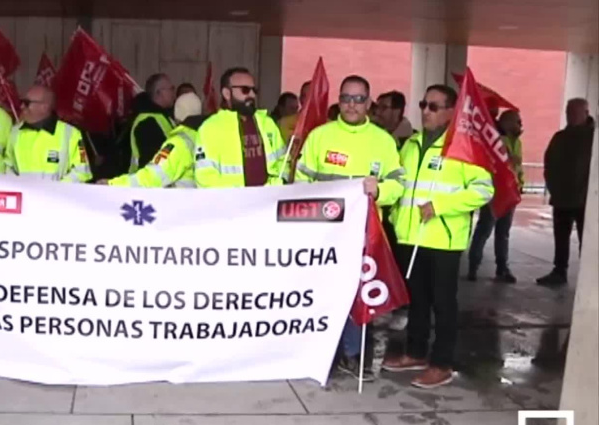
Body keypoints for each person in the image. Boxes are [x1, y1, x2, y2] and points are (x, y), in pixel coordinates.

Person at [294, 75, 406, 381]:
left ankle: (353, 356)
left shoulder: (383, 141)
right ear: (339, 101)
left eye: (358, 99)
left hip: (363, 235)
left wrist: (380, 190)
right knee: (322, 295)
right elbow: (301, 184)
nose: (352, 105)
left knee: (355, 297)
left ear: (368, 103)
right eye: (346, 98)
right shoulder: (320, 136)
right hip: (323, 234)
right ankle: (321, 352)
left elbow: (399, 185)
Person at [383, 84, 494, 389]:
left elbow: (484, 189)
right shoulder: (411, 144)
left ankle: (442, 363)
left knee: (443, 304)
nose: (425, 111)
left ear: (450, 111)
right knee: (416, 300)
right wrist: (394, 217)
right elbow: (400, 187)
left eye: (433, 106)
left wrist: (441, 206)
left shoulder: (463, 146)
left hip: (443, 239)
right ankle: (416, 352)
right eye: (423, 104)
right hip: (410, 236)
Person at [194, 67, 287, 188]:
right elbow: (205, 177)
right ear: (227, 93)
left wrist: (272, 188)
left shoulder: (267, 123)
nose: (252, 95)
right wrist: (240, 196)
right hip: (231, 204)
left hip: (267, 201)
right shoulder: (210, 128)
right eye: (245, 90)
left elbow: (284, 163)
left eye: (254, 90)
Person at [536, 98, 595, 286]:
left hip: (586, 200)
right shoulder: (560, 137)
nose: (570, 116)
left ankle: (590, 275)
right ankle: (559, 271)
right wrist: (553, 186)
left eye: (575, 113)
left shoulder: (594, 138)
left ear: (586, 113)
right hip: (562, 197)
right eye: (568, 112)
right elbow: (549, 163)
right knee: (561, 237)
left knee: (587, 239)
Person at [468, 109, 525, 283]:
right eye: (517, 121)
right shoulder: (493, 139)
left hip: (510, 191)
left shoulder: (517, 142)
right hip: (495, 191)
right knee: (484, 229)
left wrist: (520, 183)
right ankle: (473, 266)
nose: (520, 124)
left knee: (503, 232)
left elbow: (517, 167)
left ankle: (502, 268)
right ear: (507, 122)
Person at [105, 92, 205, 188]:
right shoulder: (207, 138)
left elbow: (153, 176)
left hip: (178, 203)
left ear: (177, 114)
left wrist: (113, 184)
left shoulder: (180, 143)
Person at [5, 85, 92, 183]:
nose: (22, 106)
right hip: (25, 197)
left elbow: (83, 171)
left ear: (44, 107)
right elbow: (7, 166)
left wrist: (57, 189)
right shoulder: (15, 132)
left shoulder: (73, 134)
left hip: (57, 197)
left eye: (26, 103)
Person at [129, 73, 176, 173]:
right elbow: (152, 161)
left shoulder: (164, 117)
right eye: (171, 89)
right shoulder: (147, 122)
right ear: (159, 92)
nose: (173, 93)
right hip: (148, 184)